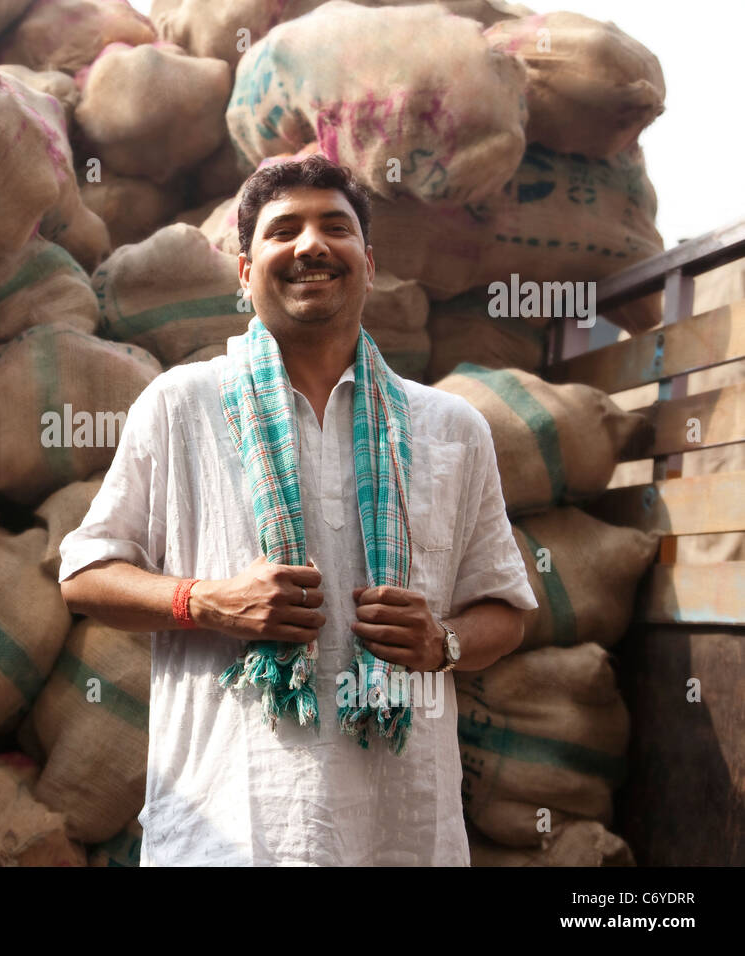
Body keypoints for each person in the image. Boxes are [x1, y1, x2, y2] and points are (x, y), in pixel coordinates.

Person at [56, 154, 538, 866]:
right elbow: (86, 575)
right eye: (285, 230)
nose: (311, 244)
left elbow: (507, 607)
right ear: (245, 271)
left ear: (369, 264)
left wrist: (444, 642)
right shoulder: (182, 404)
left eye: (334, 227)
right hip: (232, 830)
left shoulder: (450, 426)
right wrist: (208, 603)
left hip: (402, 831)